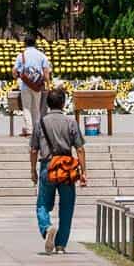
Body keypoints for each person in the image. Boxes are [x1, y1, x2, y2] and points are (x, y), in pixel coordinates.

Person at [29, 85, 87, 255]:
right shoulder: (71, 122)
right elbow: (80, 149)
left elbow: (33, 149)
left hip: (48, 165)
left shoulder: (40, 123)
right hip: (66, 168)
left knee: (42, 204)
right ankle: (61, 244)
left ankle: (47, 228)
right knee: (67, 206)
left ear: (47, 103)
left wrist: (33, 170)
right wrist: (83, 172)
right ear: (63, 103)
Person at [14, 35, 51, 137]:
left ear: (25, 43)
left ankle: (29, 129)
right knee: (36, 107)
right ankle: (37, 128)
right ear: (35, 43)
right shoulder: (41, 55)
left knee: (26, 108)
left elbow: (14, 71)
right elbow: (46, 72)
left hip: (25, 85)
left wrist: (16, 77)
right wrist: (48, 84)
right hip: (37, 85)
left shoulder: (21, 56)